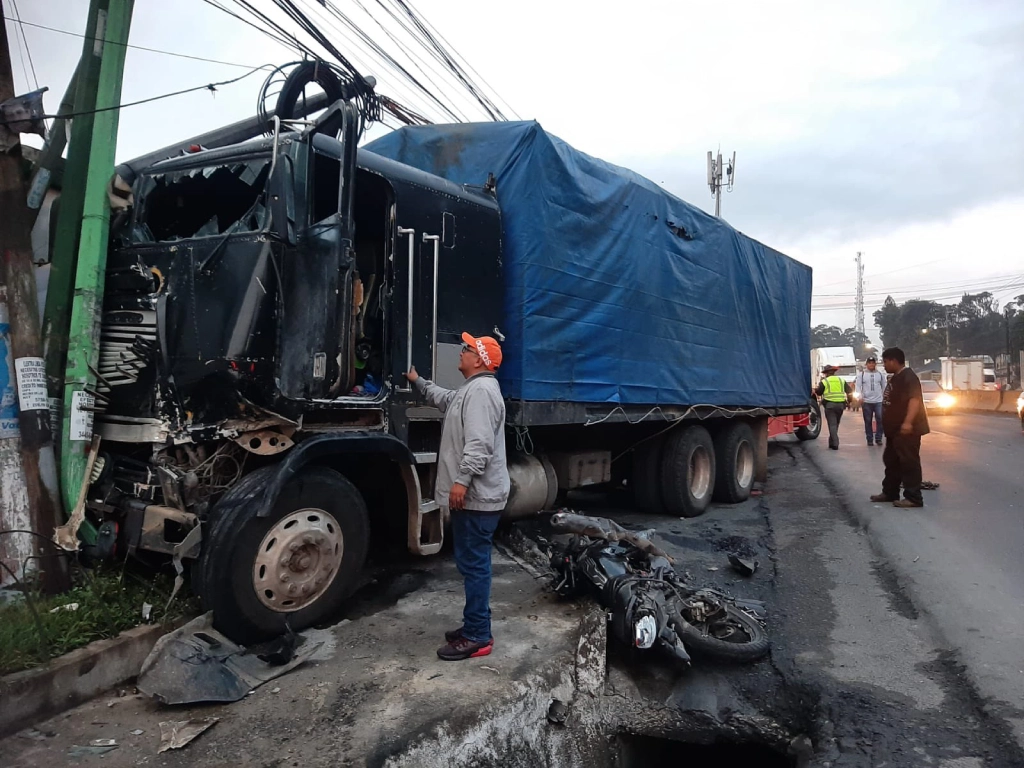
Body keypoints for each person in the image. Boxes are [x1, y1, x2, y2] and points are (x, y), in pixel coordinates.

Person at [405, 332, 510, 661]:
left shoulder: (481, 392)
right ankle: (474, 626)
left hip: (478, 498)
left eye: (465, 349)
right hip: (477, 498)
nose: (460, 352)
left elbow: (479, 445)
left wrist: (461, 481)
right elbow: (445, 399)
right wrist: (417, 381)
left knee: (476, 566)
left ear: (478, 359)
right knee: (472, 564)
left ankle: (478, 635)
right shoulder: (471, 390)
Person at [870, 347, 930, 508]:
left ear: (894, 361)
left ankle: (913, 497)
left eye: (885, 362)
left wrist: (908, 422)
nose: (884, 365)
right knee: (891, 461)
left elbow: (914, 400)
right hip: (894, 431)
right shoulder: (896, 377)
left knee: (908, 462)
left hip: (907, 430)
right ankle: (890, 492)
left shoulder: (908, 377)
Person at [815, 364, 852, 450]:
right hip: (840, 406)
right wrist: (849, 402)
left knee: (832, 425)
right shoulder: (841, 380)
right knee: (836, 424)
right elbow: (849, 392)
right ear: (834, 372)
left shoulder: (824, 381)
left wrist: (816, 390)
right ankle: (831, 442)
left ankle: (835, 443)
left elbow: (819, 393)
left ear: (826, 373)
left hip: (830, 406)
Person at [855, 356, 886, 446]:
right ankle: (869, 439)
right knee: (868, 421)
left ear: (875, 364)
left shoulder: (880, 375)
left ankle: (878, 438)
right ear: (866, 364)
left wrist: (884, 397)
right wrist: (860, 397)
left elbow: (884, 386)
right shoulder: (862, 375)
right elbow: (858, 386)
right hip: (867, 401)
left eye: (873, 363)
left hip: (878, 401)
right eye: (869, 363)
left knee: (880, 419)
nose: (871, 364)